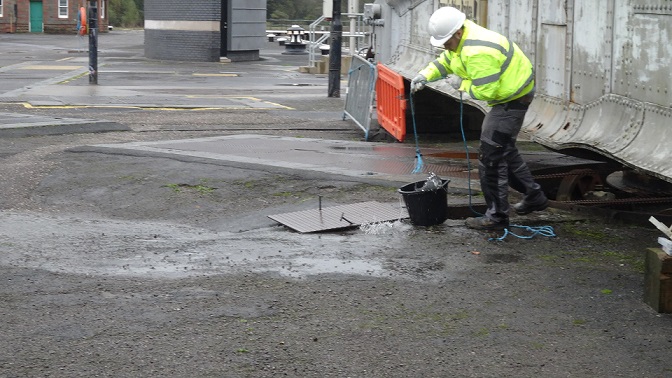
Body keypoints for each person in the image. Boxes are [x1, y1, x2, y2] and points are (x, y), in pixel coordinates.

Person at [410, 6, 548, 231]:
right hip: (510, 96)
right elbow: (446, 61)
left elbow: (488, 92)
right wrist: (425, 75)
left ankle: (497, 217)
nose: (444, 46)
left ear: (457, 33)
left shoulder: (478, 51)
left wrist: (461, 84)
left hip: (511, 100)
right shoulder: (461, 41)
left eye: (446, 41)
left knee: (491, 156)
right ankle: (534, 195)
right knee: (503, 148)